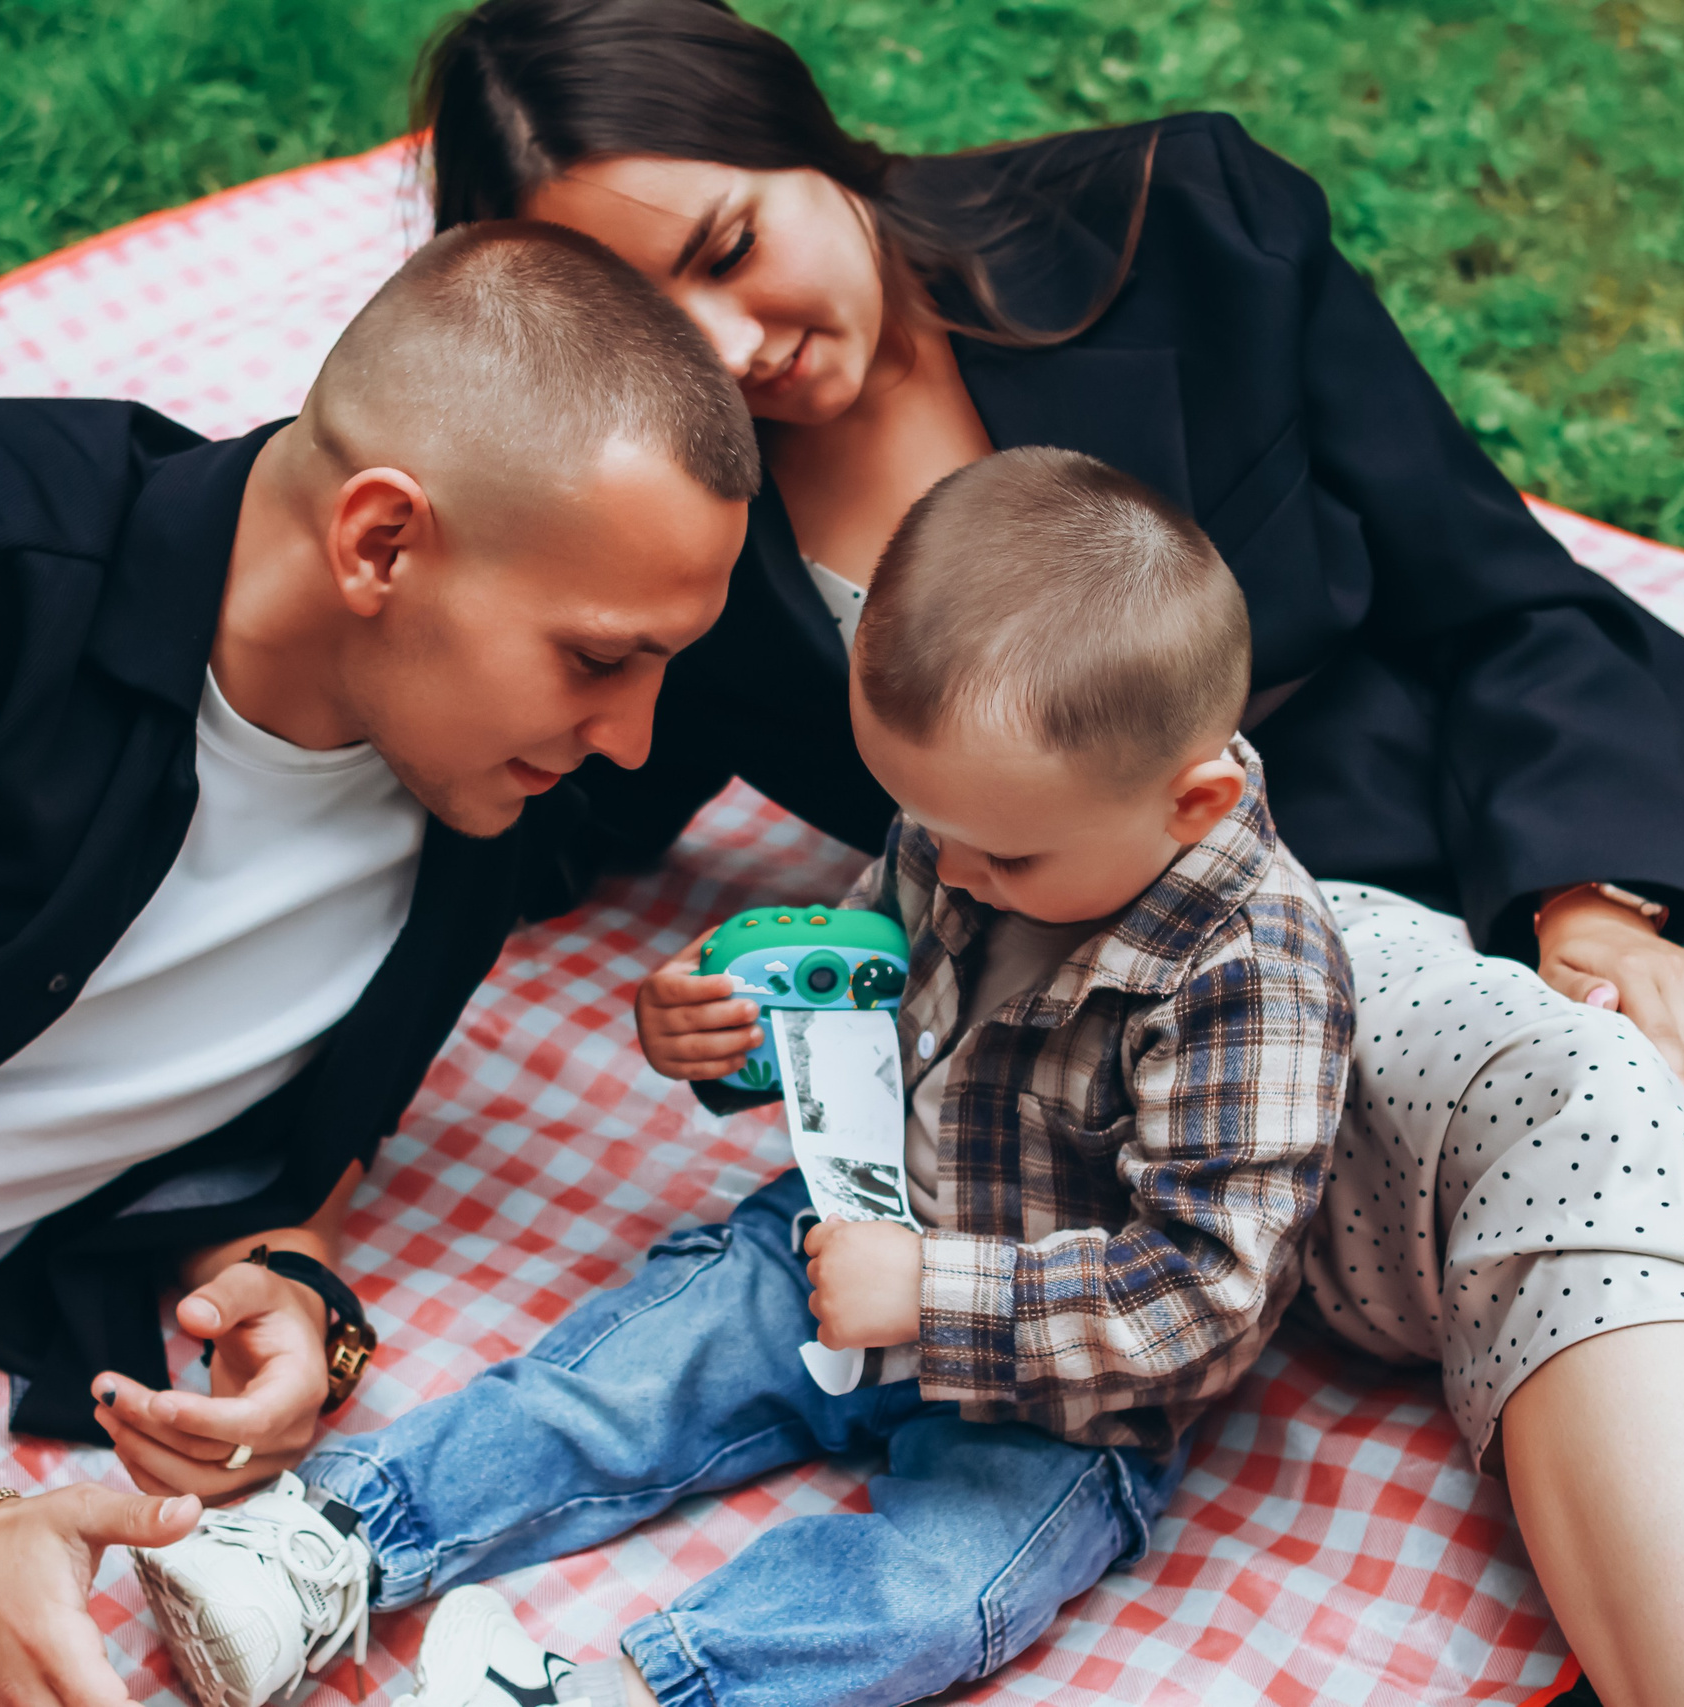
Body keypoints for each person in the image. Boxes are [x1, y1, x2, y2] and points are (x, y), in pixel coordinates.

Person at [406, 3, 1684, 1703]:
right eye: (659, 338)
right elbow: (522, 783)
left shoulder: (1186, 222)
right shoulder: (695, 532)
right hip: (1214, 983)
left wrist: (1597, 897)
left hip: (1482, 817)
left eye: (736, 248)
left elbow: (1489, 587)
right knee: (1596, 1116)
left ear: (800, 130)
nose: (732, 350)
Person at [0, 221, 758, 1705]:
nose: (633, 738)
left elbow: (270, 1135)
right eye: (597, 657)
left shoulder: (469, 789)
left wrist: (282, 1281)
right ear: (380, 541)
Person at [126, 448, 1355, 1707]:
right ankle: (323, 1544)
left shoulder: (1253, 973)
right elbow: (866, 987)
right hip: (838, 1238)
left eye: (1004, 855)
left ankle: (621, 1694)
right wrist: (731, 1039)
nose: (956, 874)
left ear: (1194, 802)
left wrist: (932, 1294)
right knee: (621, 1379)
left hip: (1060, 1396)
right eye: (924, 827)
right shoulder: (967, 827)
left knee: (937, 1596)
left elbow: (1201, 1295)